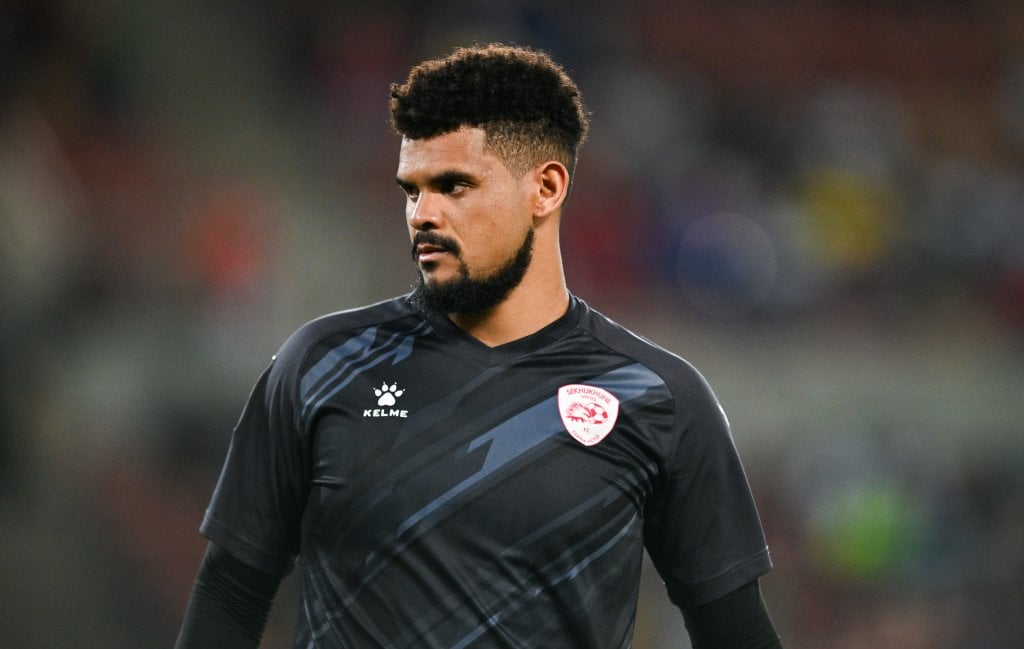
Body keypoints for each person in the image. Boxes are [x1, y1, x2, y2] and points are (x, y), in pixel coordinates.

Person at [174, 43, 783, 649]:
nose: (422, 215)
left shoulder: (656, 397)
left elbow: (736, 632)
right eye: (412, 190)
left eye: (454, 186)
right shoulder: (320, 365)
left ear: (545, 188)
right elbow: (230, 596)